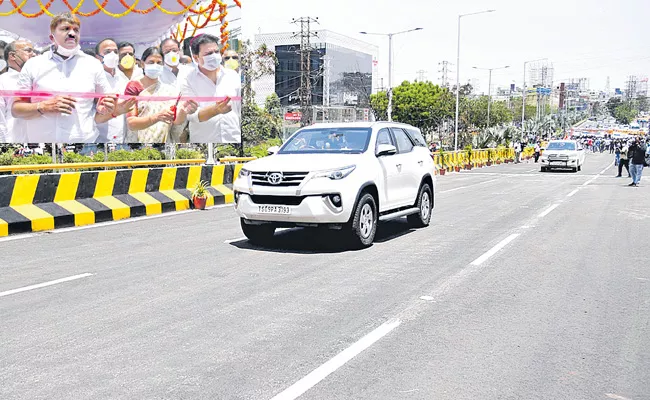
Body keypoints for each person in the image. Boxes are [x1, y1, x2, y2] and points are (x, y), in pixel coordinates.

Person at [11, 12, 116, 143]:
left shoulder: (92, 64)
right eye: (65, 29)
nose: (72, 33)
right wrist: (43, 106)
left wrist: (105, 107)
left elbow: (105, 101)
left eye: (76, 30)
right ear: (52, 37)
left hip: (84, 147)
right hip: (43, 150)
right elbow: (16, 110)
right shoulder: (34, 64)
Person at [124, 46, 197, 143]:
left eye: (159, 63)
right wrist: (157, 117)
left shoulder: (171, 91)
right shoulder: (134, 87)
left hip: (164, 142)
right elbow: (131, 123)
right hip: (138, 142)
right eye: (151, 62)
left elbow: (176, 122)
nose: (155, 65)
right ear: (142, 64)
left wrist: (184, 111)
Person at [180, 34, 240, 143]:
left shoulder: (232, 76)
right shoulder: (188, 80)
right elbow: (192, 116)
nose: (214, 56)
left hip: (233, 138)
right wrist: (216, 110)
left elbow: (239, 110)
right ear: (196, 57)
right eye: (208, 54)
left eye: (216, 52)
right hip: (204, 142)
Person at [93, 38, 137, 143]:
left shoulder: (124, 78)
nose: (112, 54)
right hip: (101, 138)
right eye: (107, 52)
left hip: (123, 137)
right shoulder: (93, 79)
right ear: (98, 58)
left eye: (115, 52)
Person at [0, 39, 36, 142]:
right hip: (15, 142)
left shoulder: (39, 79)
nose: (33, 54)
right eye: (28, 51)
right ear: (12, 56)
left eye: (33, 51)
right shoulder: (2, 81)